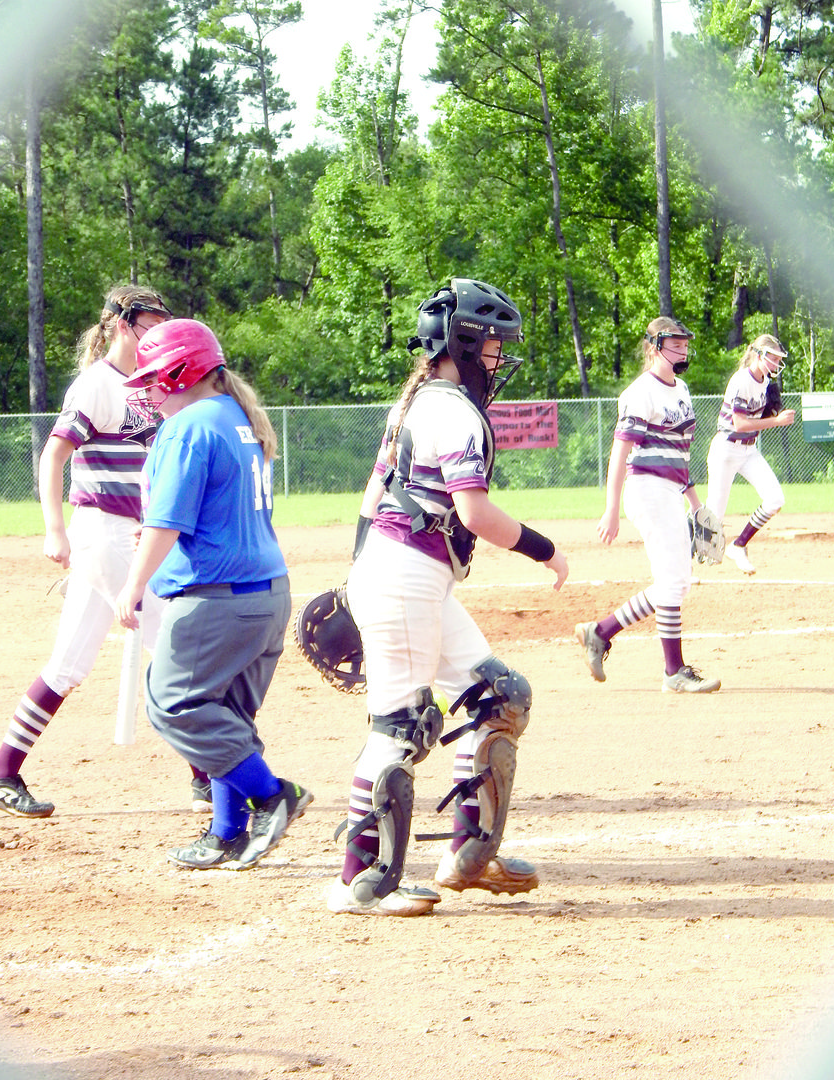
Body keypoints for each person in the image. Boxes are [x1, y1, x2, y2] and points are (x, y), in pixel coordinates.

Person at [328, 278, 568, 917]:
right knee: (402, 727)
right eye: (491, 345)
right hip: (406, 575)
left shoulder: (415, 405)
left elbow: (369, 501)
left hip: (405, 575)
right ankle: (364, 879)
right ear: (462, 342)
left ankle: (469, 853)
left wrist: (357, 582)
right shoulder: (456, 412)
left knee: (501, 695)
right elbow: (475, 512)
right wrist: (547, 550)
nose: (497, 358)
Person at [115, 318, 312, 870]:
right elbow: (210, 511)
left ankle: (273, 795)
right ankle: (226, 832)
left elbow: (169, 521)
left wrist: (134, 584)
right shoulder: (236, 416)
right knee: (227, 715)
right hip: (266, 594)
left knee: (173, 704)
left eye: (156, 379)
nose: (150, 392)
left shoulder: (189, 425)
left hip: (218, 600)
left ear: (183, 371)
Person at [0, 285, 195, 818]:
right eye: (150, 322)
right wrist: (54, 529)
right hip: (102, 531)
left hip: (126, 534)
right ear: (123, 325)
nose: (159, 331)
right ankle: (210, 773)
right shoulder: (97, 384)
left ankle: (2, 769)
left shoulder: (151, 385)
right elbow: (52, 456)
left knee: (68, 663)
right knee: (172, 647)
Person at [575, 316, 721, 695]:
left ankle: (601, 632)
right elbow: (620, 451)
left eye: (685, 342)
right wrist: (611, 508)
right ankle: (672, 672)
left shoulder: (683, 389)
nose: (684, 348)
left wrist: (696, 504)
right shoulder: (641, 392)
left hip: (671, 491)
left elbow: (679, 455)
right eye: (675, 343)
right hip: (646, 489)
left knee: (675, 584)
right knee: (674, 582)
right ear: (655, 347)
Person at [706, 334, 796, 575]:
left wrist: (772, 413)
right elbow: (740, 424)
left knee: (775, 499)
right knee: (713, 517)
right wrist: (776, 421)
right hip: (726, 450)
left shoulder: (766, 382)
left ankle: (739, 545)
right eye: (773, 358)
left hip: (748, 451)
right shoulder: (740, 381)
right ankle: (684, 551)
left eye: (778, 360)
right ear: (758, 355)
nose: (776, 364)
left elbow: (757, 420)